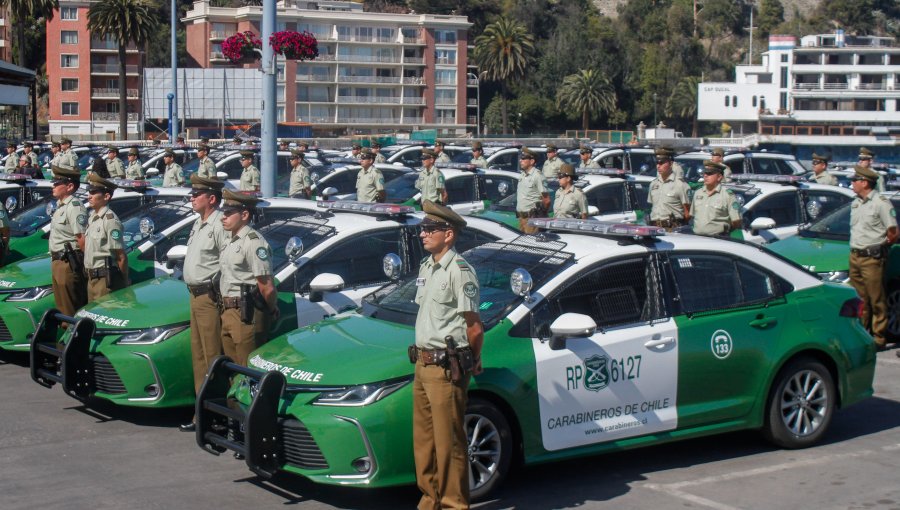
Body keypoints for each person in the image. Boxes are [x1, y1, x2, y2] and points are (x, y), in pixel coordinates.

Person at [411, 200, 483, 510]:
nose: (423, 234)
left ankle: (454, 504)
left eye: (429, 229)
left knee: (449, 443)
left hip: (445, 367)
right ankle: (430, 500)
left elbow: (474, 328)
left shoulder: (461, 271)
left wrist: (473, 360)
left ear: (448, 234)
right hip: (422, 364)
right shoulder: (427, 267)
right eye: (422, 228)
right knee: (424, 443)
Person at [179, 174, 229, 432]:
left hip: (209, 297)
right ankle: (202, 413)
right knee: (199, 357)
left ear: (211, 198)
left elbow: (227, 263)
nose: (192, 198)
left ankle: (219, 416)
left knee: (212, 358)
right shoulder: (200, 223)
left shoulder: (219, 225)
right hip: (194, 295)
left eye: (196, 195)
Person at [218, 189, 277, 366]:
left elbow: (266, 286)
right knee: (232, 369)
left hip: (246, 314)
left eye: (228, 213)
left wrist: (272, 309)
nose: (223, 217)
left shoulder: (253, 242)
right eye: (223, 213)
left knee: (247, 368)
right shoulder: (231, 239)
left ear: (244, 214)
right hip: (228, 311)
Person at [848, 165, 898, 352]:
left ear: (864, 182)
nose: (852, 183)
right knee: (859, 300)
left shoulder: (881, 203)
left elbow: (893, 232)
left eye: (855, 180)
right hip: (855, 256)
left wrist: (881, 247)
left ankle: (879, 338)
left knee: (876, 299)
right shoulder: (856, 202)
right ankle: (862, 334)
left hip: (872, 258)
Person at [49, 164, 88, 318]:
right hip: (58, 261)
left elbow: (82, 240)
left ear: (69, 186)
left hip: (68, 263)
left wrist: (85, 268)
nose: (53, 186)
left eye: (57, 183)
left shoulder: (75, 207)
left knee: (70, 309)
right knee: (62, 307)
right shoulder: (62, 206)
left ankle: (72, 339)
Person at [83, 174, 128, 301]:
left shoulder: (110, 220)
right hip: (91, 279)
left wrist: (123, 282)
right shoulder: (93, 217)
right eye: (89, 192)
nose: (89, 196)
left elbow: (120, 257)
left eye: (94, 192)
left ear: (106, 196)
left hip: (104, 280)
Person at [691, 160, 741, 236]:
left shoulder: (728, 195)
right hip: (698, 239)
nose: (705, 175)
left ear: (719, 177)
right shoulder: (698, 193)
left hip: (718, 240)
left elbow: (736, 221)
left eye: (709, 173)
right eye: (704, 172)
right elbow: (693, 216)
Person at [648, 147, 691, 230]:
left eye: (662, 163)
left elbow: (687, 213)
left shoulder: (680, 185)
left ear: (670, 164)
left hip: (673, 228)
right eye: (657, 163)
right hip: (655, 228)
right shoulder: (653, 184)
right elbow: (653, 206)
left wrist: (678, 225)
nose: (658, 166)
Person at [516, 148, 550, 233]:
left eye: (523, 158)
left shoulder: (537, 176)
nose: (521, 160)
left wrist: (540, 216)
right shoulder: (522, 175)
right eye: (520, 158)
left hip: (532, 219)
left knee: (530, 244)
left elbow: (546, 200)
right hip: (521, 218)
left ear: (531, 161)